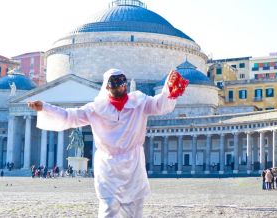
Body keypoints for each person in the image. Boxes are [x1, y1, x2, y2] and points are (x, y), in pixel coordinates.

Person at [28, 69, 188, 218]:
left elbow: (159, 105)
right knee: (109, 206)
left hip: (133, 163)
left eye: (123, 85)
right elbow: (70, 116)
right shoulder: (96, 109)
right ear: (107, 88)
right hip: (108, 164)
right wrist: (45, 108)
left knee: (134, 208)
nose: (120, 89)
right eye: (116, 86)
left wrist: (169, 92)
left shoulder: (140, 102)